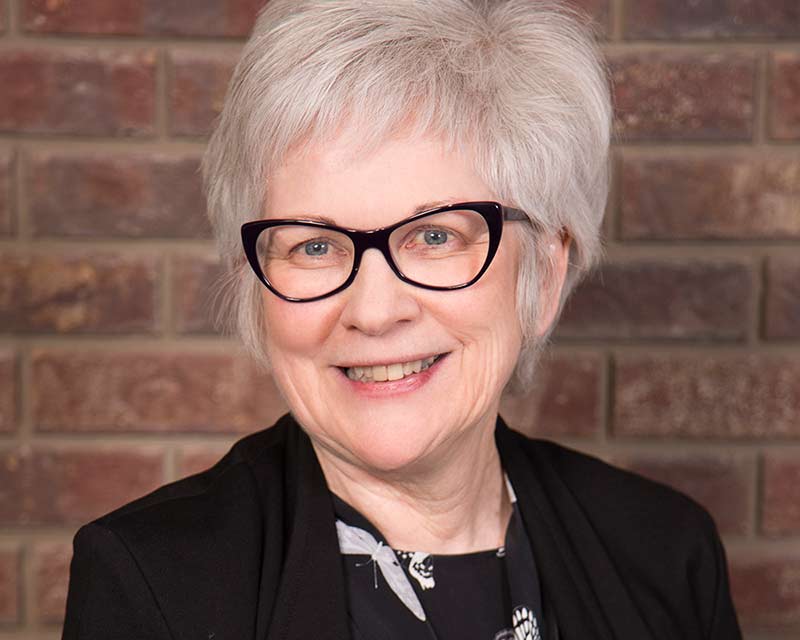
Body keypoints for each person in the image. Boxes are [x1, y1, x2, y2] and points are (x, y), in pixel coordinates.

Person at [61, 1, 742, 639]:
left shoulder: (665, 554)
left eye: (437, 236)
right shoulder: (150, 584)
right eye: (316, 246)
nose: (375, 311)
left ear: (545, 273)